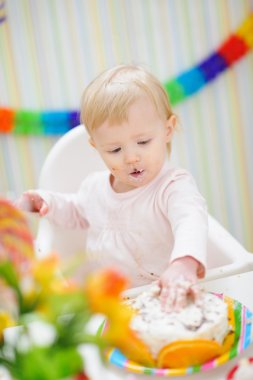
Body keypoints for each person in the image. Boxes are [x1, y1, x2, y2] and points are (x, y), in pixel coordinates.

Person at [16, 64, 208, 311]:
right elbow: (77, 211)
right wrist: (47, 203)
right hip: (112, 304)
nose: (131, 157)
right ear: (96, 147)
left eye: (143, 142)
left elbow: (191, 221)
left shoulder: (173, 187)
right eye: (115, 150)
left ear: (167, 130)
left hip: (165, 296)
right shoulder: (95, 188)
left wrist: (184, 264)